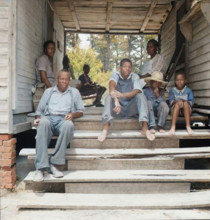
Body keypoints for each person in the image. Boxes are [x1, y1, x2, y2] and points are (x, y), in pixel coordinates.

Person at [33, 69, 84, 182]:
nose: (64, 81)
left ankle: (55, 164)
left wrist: (72, 114)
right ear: (57, 79)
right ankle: (41, 168)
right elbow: (39, 111)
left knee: (68, 126)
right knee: (43, 123)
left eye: (66, 79)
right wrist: (37, 119)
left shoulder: (74, 92)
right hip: (49, 118)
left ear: (69, 80)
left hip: (63, 119)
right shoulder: (49, 92)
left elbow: (81, 111)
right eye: (62, 79)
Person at [98, 58, 155, 142]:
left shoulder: (134, 76)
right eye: (125, 66)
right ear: (120, 68)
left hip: (130, 108)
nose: (127, 69)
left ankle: (145, 128)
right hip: (118, 109)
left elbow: (137, 90)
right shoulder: (115, 75)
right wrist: (116, 101)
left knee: (140, 95)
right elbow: (111, 86)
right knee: (108, 97)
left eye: (129, 67)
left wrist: (122, 95)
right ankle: (106, 128)